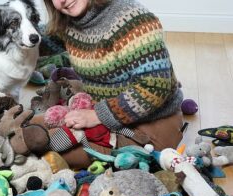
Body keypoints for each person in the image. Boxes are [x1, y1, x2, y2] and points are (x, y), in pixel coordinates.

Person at [34, 0, 184, 167]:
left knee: (41, 146)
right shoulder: (71, 21)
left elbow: (155, 86)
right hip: (103, 110)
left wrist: (97, 115)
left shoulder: (132, 20)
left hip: (152, 123)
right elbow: (38, 40)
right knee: (32, 128)